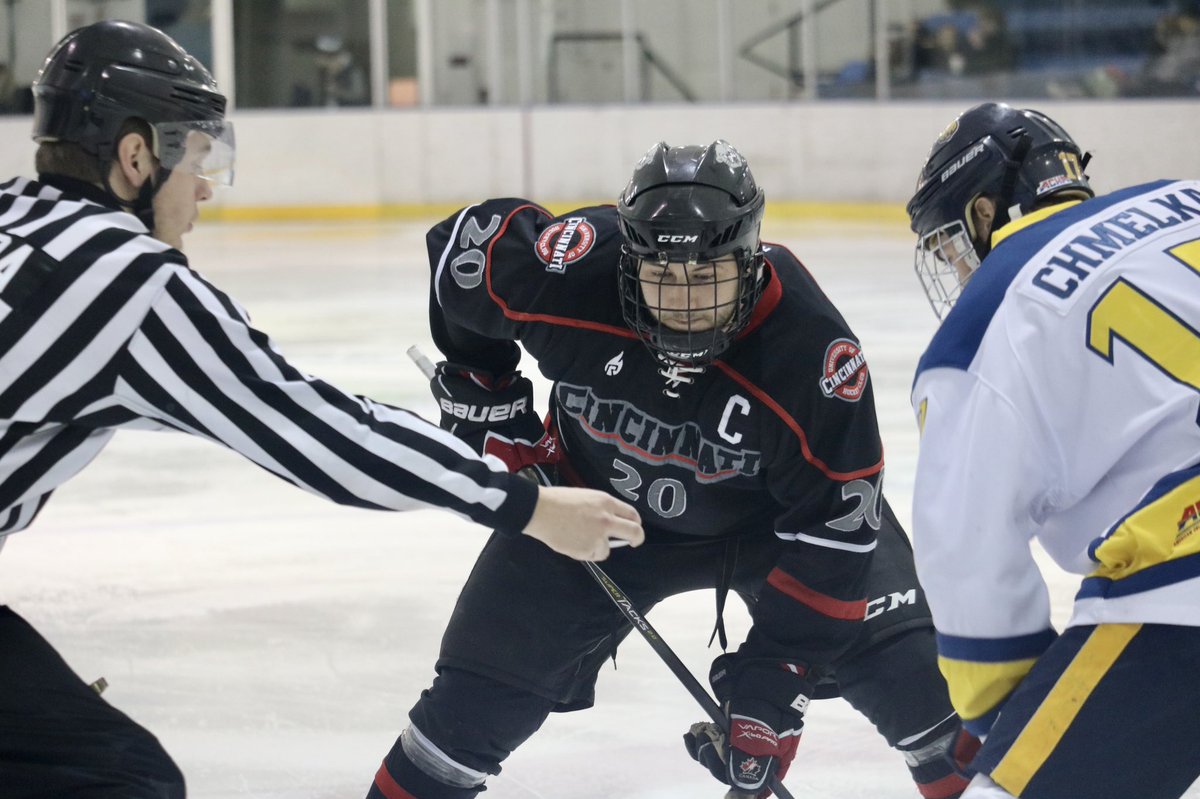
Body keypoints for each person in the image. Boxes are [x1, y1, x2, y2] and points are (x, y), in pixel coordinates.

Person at [0, 19, 643, 799]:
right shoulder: (134, 288)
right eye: (196, 159)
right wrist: (524, 503)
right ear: (136, 156)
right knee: (118, 781)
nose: (203, 186)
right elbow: (317, 430)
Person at [366, 140, 973, 799]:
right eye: (663, 276)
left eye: (708, 275)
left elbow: (837, 530)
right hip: (586, 508)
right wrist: (484, 389)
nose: (685, 305)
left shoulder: (813, 353)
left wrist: (773, 688)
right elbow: (463, 253)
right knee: (460, 719)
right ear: (628, 260)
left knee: (930, 699)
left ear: (749, 259)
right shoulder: (576, 269)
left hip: (777, 527)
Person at [905, 101, 1200, 799]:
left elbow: (967, 551)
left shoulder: (983, 323)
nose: (956, 265)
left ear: (983, 213)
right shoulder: (1188, 197)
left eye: (951, 244)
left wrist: (996, 710)